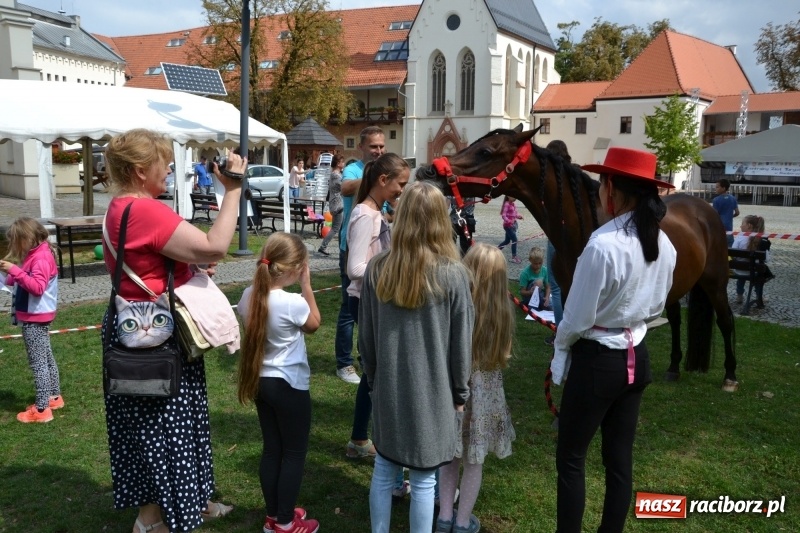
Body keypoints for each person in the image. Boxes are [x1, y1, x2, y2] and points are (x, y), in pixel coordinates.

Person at [101, 128, 245, 533]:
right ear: (140, 169)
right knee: (166, 428)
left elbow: (148, 260)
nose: (168, 168)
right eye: (162, 161)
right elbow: (216, 245)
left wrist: (186, 264)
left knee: (148, 428)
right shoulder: (148, 210)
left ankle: (182, 504)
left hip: (133, 329)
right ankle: (160, 519)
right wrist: (232, 189)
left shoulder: (120, 206)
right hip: (155, 338)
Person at [551, 147, 677, 533]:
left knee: (571, 458)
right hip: (637, 357)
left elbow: (576, 315)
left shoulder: (603, 244)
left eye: (602, 183)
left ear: (612, 189)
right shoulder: (664, 243)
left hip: (598, 362)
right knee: (619, 462)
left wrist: (561, 349)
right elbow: (657, 306)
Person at [359, 181, 474, 533]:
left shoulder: (379, 269)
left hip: (393, 389)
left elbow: (366, 340)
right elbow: (462, 346)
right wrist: (461, 393)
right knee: (422, 481)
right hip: (433, 395)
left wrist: (375, 380)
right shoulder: (452, 275)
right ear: (441, 220)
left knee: (385, 471)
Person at [236, 233, 321, 533]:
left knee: (272, 450)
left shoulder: (248, 296)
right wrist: (307, 286)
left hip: (261, 382)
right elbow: (314, 323)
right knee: (294, 453)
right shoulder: (292, 302)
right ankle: (286, 522)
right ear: (294, 268)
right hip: (289, 384)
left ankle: (275, 516)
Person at [435, 243, 516, 533]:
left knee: (450, 456)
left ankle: (445, 516)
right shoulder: (502, 313)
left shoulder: (455, 308)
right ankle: (461, 520)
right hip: (485, 398)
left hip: (455, 391)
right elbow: (502, 355)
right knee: (473, 460)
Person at [345, 153, 410, 461]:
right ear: (383, 181)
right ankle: (360, 438)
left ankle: (361, 436)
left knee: (378, 372)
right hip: (365, 302)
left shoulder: (377, 212)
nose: (402, 190)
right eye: (401, 184)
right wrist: (390, 267)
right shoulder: (364, 215)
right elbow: (354, 268)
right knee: (376, 373)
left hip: (377, 300)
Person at [333, 126, 385, 384]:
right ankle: (344, 363)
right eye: (373, 146)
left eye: (381, 147)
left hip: (377, 248)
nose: (378, 151)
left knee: (372, 306)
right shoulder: (355, 168)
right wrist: (372, 174)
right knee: (348, 308)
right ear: (362, 147)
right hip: (351, 248)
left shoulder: (384, 171)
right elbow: (345, 189)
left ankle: (367, 357)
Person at [0, 218, 61, 423]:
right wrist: (8, 272)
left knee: (38, 364)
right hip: (38, 316)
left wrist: (15, 270)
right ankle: (54, 397)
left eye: (16, 241)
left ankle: (42, 409)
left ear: (27, 238)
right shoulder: (36, 254)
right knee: (46, 358)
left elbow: (37, 287)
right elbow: (20, 277)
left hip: (35, 317)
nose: (14, 246)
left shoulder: (41, 258)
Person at [544, 140, 572, 345]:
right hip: (573, 234)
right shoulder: (573, 174)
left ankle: (560, 333)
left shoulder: (551, 178)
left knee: (555, 286)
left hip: (557, 234)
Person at [731, 214, 770, 306]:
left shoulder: (739, 238)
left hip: (739, 270)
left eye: (742, 223)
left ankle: (739, 295)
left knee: (741, 278)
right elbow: (767, 259)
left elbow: (733, 254)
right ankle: (758, 296)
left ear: (749, 226)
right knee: (759, 276)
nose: (740, 226)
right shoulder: (761, 240)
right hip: (755, 271)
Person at [317, 154, 345, 256]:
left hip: (334, 204)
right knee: (336, 228)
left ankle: (341, 248)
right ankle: (323, 247)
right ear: (338, 163)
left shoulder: (333, 174)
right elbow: (344, 188)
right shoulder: (336, 176)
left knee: (339, 228)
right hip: (338, 205)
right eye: (342, 162)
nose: (344, 164)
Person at [711, 178, 739, 246]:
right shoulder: (733, 198)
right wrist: (730, 216)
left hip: (719, 228)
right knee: (730, 248)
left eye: (717, 187)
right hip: (729, 228)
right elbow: (737, 212)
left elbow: (715, 215)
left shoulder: (716, 200)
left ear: (723, 188)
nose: (716, 189)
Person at [497, 195, 523, 263]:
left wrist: (519, 216)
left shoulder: (513, 204)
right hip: (508, 226)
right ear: (508, 196)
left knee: (507, 241)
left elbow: (515, 214)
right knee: (514, 240)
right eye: (513, 197)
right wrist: (509, 221)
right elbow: (503, 215)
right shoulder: (507, 204)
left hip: (512, 225)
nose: (515, 198)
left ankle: (496, 251)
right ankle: (514, 257)